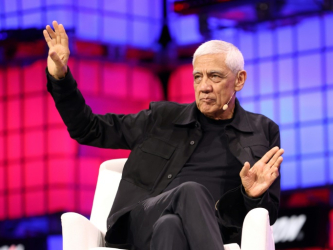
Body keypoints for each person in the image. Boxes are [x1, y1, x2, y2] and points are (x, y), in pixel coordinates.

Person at [44, 21, 284, 250]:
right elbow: (89, 129)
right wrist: (60, 79)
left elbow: (268, 214)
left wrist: (252, 196)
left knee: (170, 227)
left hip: (212, 226)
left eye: (215, 76)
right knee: (191, 191)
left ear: (239, 80)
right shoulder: (163, 118)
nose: (204, 86)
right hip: (142, 219)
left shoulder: (262, 130)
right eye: (197, 77)